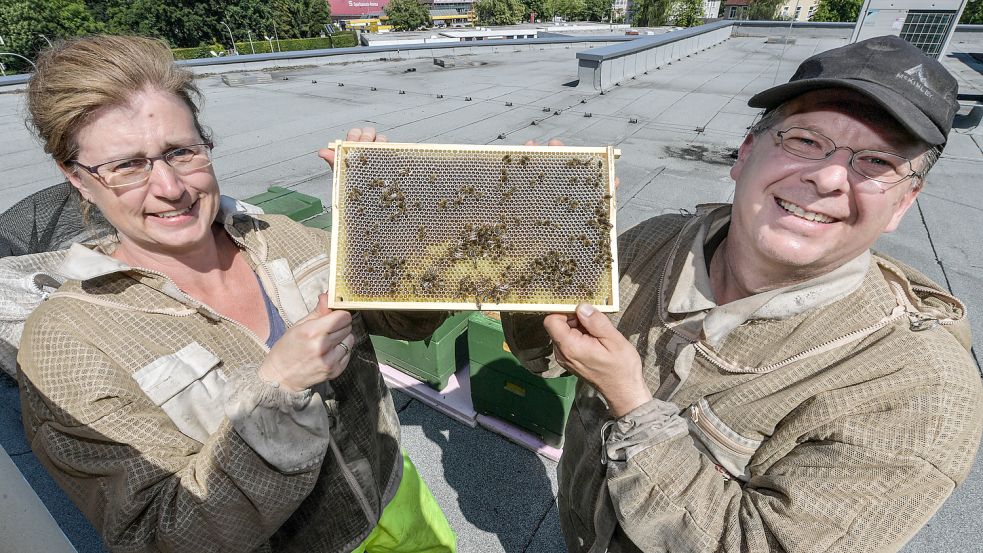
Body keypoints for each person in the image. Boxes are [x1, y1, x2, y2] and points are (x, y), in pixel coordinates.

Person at [502, 35, 983, 552]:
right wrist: (540, 256)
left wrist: (632, 407)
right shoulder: (652, 242)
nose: (826, 177)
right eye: (804, 139)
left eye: (877, 162)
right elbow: (541, 356)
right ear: (746, 152)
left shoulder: (919, 391)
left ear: (904, 203)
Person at [17, 35, 456, 553]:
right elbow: (158, 536)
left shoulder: (282, 238)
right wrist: (277, 392)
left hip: (395, 501)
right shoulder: (67, 346)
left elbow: (413, 324)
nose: (170, 187)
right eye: (127, 165)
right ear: (78, 180)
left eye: (181, 152)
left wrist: (389, 234)